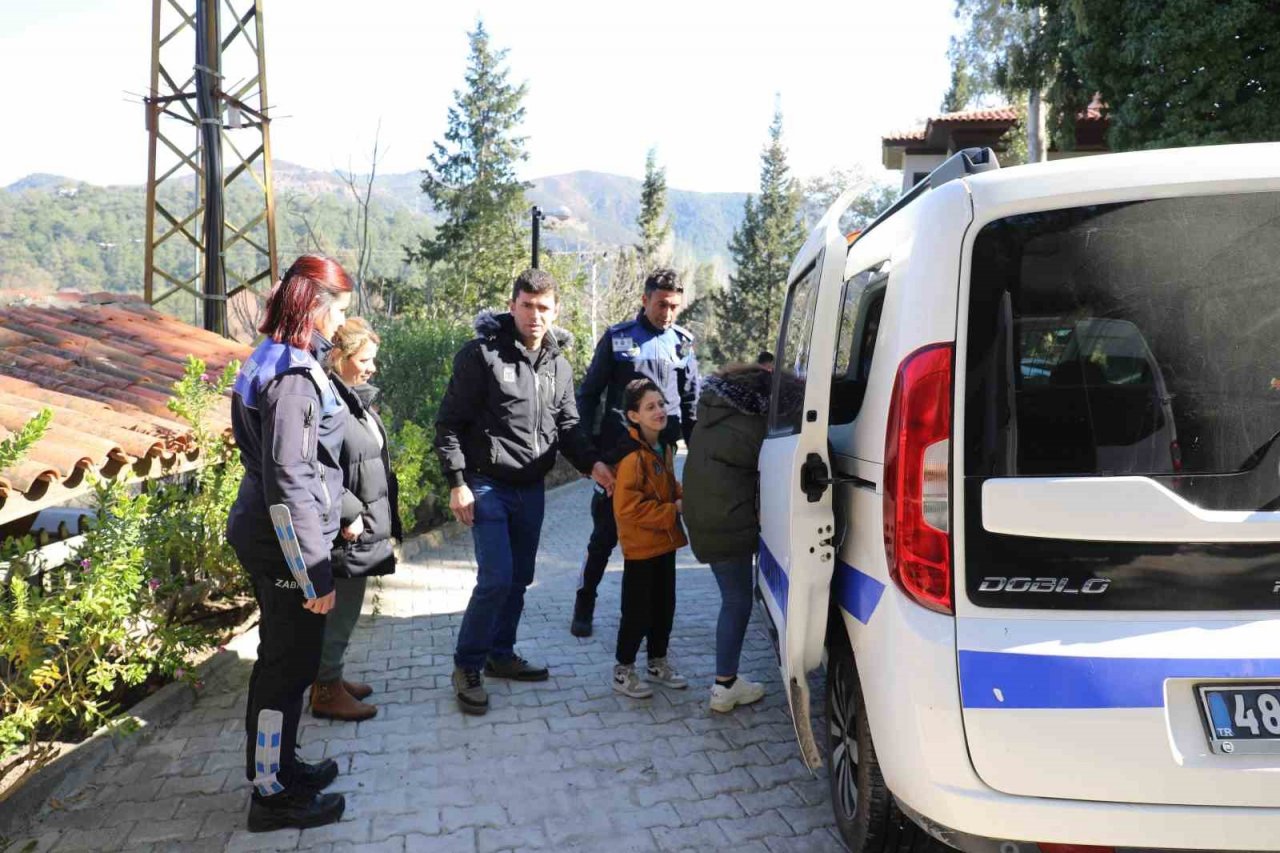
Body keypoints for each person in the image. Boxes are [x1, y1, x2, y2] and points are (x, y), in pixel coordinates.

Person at [436, 268, 614, 715]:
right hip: (487, 483)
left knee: (518, 579)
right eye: (527, 305)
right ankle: (467, 665)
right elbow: (450, 424)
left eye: (544, 307)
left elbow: (569, 426)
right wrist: (458, 484)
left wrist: (594, 465)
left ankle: (501, 653)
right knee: (495, 578)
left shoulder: (559, 364)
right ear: (512, 305)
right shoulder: (481, 356)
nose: (535, 315)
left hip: (531, 489)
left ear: (555, 311)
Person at [226, 254, 352, 832]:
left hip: (273, 534)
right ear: (315, 306)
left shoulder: (272, 356)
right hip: (285, 546)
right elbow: (291, 479)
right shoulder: (296, 377)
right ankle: (272, 794)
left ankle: (282, 764)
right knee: (284, 666)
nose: (342, 321)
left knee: (291, 662)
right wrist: (314, 573)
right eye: (340, 309)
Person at [572, 268, 699, 637]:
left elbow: (690, 401)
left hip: (663, 454)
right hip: (620, 453)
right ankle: (585, 599)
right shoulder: (618, 338)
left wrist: (698, 456)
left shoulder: (683, 342)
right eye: (661, 304)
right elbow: (589, 393)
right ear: (645, 300)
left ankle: (649, 615)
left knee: (656, 532)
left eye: (675, 305)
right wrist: (589, 452)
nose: (668, 312)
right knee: (605, 535)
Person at [309, 317, 400, 722]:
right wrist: (348, 511)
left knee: (348, 610)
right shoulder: (330, 403)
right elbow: (315, 463)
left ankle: (332, 677)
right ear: (339, 359)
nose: (372, 367)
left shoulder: (352, 399)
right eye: (365, 359)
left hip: (363, 523)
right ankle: (325, 690)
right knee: (342, 611)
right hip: (348, 528)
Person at [682, 364, 787, 712]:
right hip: (725, 523)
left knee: (736, 597)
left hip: (704, 518)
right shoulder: (752, 426)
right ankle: (725, 685)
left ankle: (727, 681)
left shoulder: (713, 414)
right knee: (736, 600)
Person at [611, 378, 689, 698]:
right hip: (641, 548)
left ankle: (657, 662)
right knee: (637, 610)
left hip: (665, 543)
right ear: (633, 416)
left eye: (661, 404)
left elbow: (671, 488)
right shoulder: (631, 457)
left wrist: (686, 499)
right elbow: (628, 508)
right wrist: (673, 511)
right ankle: (623, 669)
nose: (659, 411)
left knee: (664, 606)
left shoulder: (664, 446)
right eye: (649, 407)